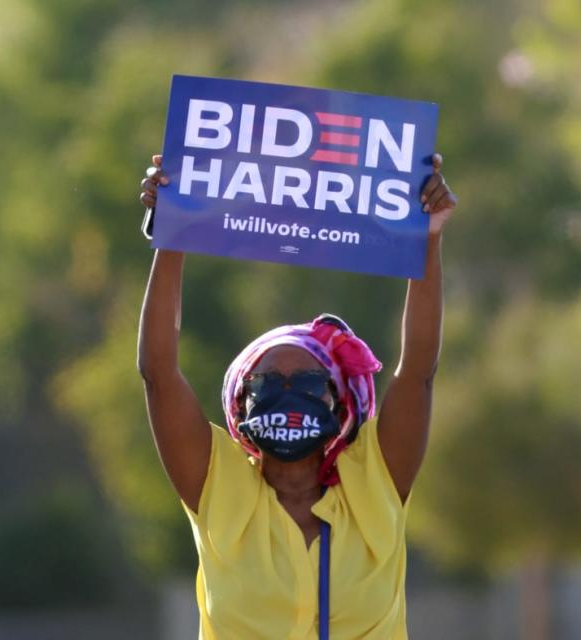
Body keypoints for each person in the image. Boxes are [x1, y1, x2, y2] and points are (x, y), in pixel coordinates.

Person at [137, 151, 457, 639]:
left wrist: (428, 237)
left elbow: (417, 372)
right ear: (239, 407)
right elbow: (159, 374)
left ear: (338, 401)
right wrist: (173, 232)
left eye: (308, 384)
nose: (288, 397)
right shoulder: (219, 488)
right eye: (267, 386)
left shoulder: (374, 482)